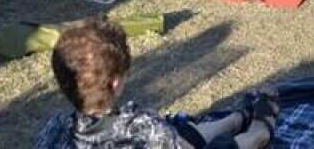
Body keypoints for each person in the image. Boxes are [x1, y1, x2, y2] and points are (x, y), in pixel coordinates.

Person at [35, 18, 277, 149]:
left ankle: (233, 121)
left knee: (172, 134)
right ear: (116, 82)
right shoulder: (140, 127)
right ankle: (257, 134)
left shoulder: (55, 128)